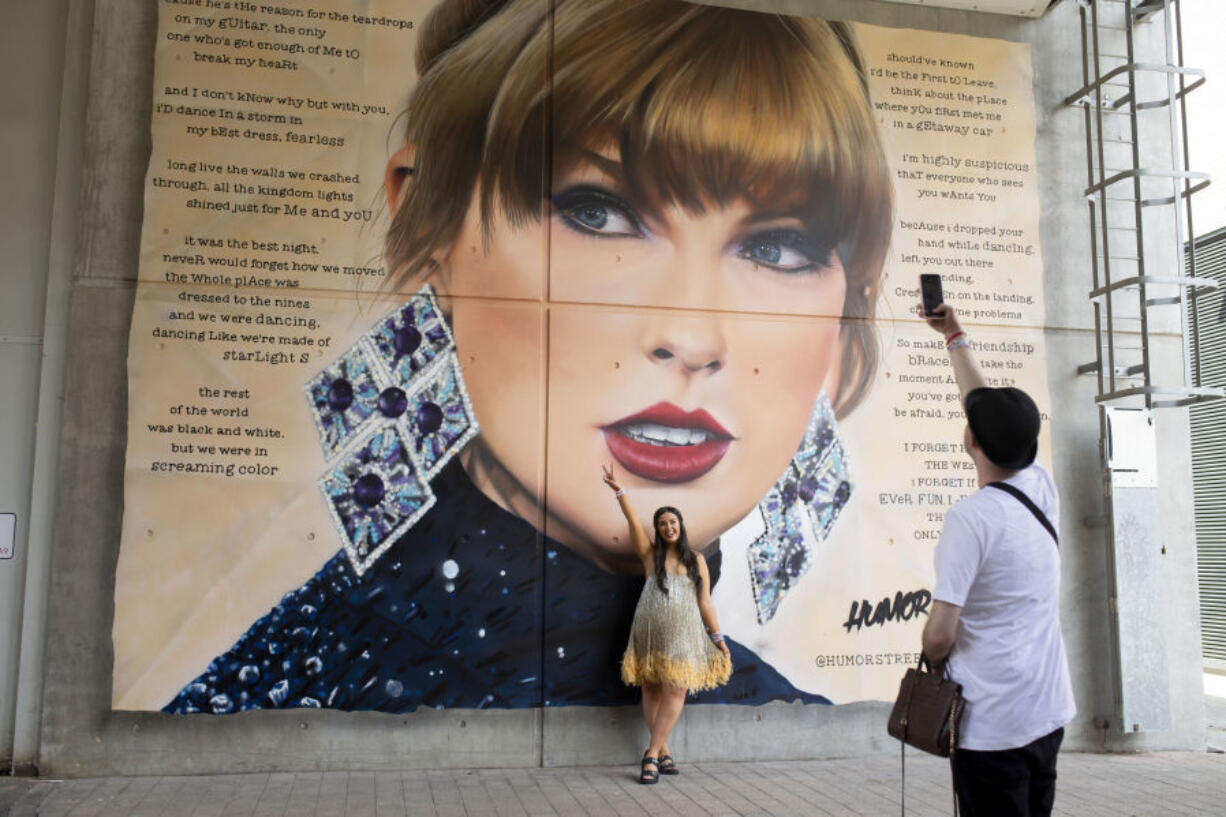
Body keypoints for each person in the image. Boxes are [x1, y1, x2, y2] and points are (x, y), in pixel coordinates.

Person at [161, 0, 892, 714]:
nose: (693, 337)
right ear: (429, 225)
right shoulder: (269, 704)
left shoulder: (782, 715)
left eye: (777, 246)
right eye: (597, 211)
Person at [919, 303, 1076, 817]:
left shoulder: (973, 518)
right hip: (1046, 712)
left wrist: (932, 656)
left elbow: (940, 636)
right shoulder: (1040, 488)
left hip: (991, 727)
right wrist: (954, 336)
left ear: (969, 440)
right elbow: (985, 414)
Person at [602, 464, 731, 782]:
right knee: (651, 687)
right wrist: (619, 491)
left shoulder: (696, 559)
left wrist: (718, 638)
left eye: (672, 522)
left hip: (684, 633)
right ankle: (665, 752)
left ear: (680, 526)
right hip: (650, 628)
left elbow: (705, 602)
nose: (668, 527)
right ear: (658, 530)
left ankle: (650, 754)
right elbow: (633, 522)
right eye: (662, 524)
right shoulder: (650, 557)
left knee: (676, 690)